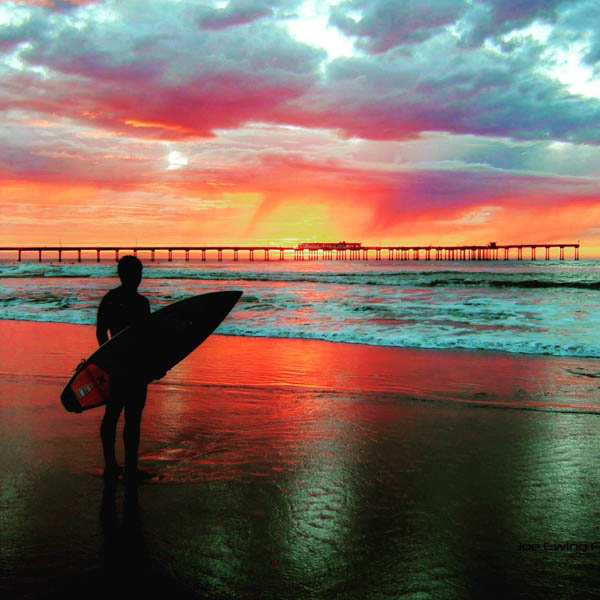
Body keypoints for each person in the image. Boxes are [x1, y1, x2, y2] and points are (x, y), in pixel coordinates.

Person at [96, 255, 155, 482]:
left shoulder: (139, 302)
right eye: (134, 274)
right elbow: (102, 332)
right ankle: (112, 464)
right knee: (114, 415)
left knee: (131, 418)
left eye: (139, 274)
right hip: (121, 367)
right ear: (123, 275)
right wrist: (107, 359)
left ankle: (128, 467)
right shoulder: (118, 300)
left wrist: (155, 366)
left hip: (135, 367)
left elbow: (148, 338)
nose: (137, 278)